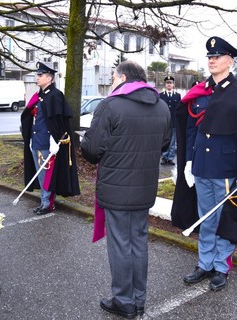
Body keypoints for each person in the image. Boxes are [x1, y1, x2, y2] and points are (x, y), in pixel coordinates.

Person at [171, 36, 237, 291]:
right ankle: (204, 263)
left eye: (217, 57)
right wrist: (189, 161)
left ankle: (221, 266)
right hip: (201, 165)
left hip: (227, 166)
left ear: (230, 61)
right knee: (206, 218)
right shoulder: (201, 91)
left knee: (224, 217)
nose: (212, 61)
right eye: (209, 57)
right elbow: (191, 127)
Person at [81, 60, 171, 319]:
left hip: (117, 188)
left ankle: (124, 301)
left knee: (121, 244)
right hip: (144, 188)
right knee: (138, 243)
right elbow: (164, 145)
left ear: (122, 78)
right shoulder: (161, 106)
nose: (111, 81)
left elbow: (91, 149)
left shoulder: (110, 105)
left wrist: (87, 140)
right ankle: (138, 300)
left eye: (112, 77)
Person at [21, 62, 80, 215]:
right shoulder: (39, 96)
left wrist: (56, 140)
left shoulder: (55, 96)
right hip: (36, 141)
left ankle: (47, 203)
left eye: (40, 75)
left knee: (46, 175)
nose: (37, 77)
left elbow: (59, 122)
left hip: (47, 143)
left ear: (50, 78)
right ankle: (44, 202)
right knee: (41, 175)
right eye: (37, 75)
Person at [159, 75, 181, 165]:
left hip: (174, 122)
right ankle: (164, 157)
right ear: (165, 84)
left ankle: (170, 157)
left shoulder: (177, 96)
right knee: (164, 140)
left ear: (173, 84)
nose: (169, 84)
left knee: (172, 140)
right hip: (164, 122)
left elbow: (179, 109)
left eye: (170, 83)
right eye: (167, 83)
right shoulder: (160, 95)